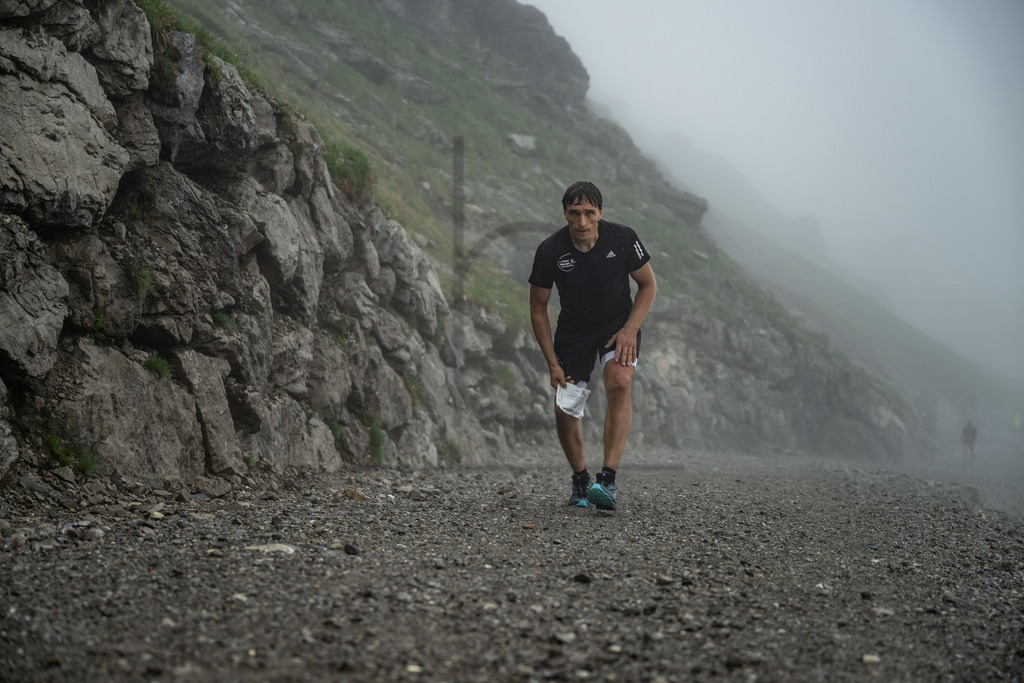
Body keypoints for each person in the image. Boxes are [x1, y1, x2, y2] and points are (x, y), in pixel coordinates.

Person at [528, 181, 657, 510]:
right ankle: (582, 480)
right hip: (573, 332)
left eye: (589, 212)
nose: (582, 221)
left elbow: (647, 285)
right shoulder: (550, 251)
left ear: (601, 212)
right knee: (564, 409)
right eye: (575, 213)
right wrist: (551, 363)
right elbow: (538, 309)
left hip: (617, 325)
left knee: (620, 381)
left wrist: (630, 328)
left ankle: (608, 481)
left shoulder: (623, 238)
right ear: (565, 213)